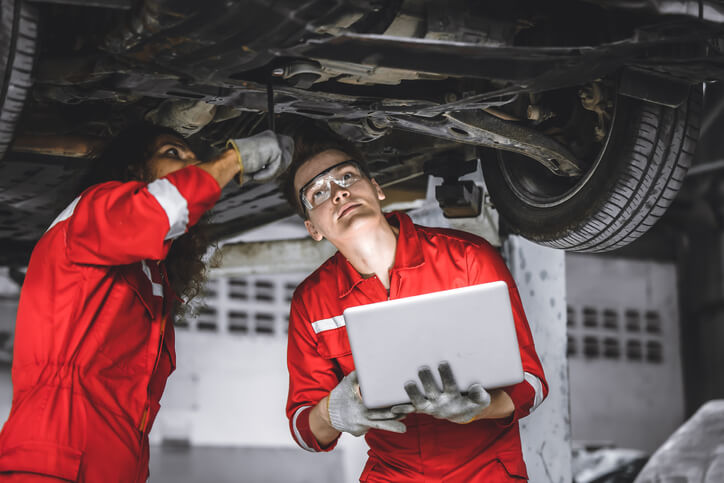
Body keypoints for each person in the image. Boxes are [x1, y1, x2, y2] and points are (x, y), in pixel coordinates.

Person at [0, 123, 293, 482]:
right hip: (54, 461)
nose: (192, 164)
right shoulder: (91, 214)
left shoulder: (148, 277)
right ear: (132, 171)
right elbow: (157, 210)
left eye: (194, 158)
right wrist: (233, 160)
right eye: (173, 154)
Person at [282, 127, 548, 482]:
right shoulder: (312, 302)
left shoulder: (468, 258)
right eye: (318, 193)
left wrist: (477, 410)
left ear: (376, 189)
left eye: (347, 176)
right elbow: (305, 429)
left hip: (486, 473)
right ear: (313, 227)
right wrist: (332, 414)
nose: (339, 192)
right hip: (392, 474)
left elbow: (532, 383)